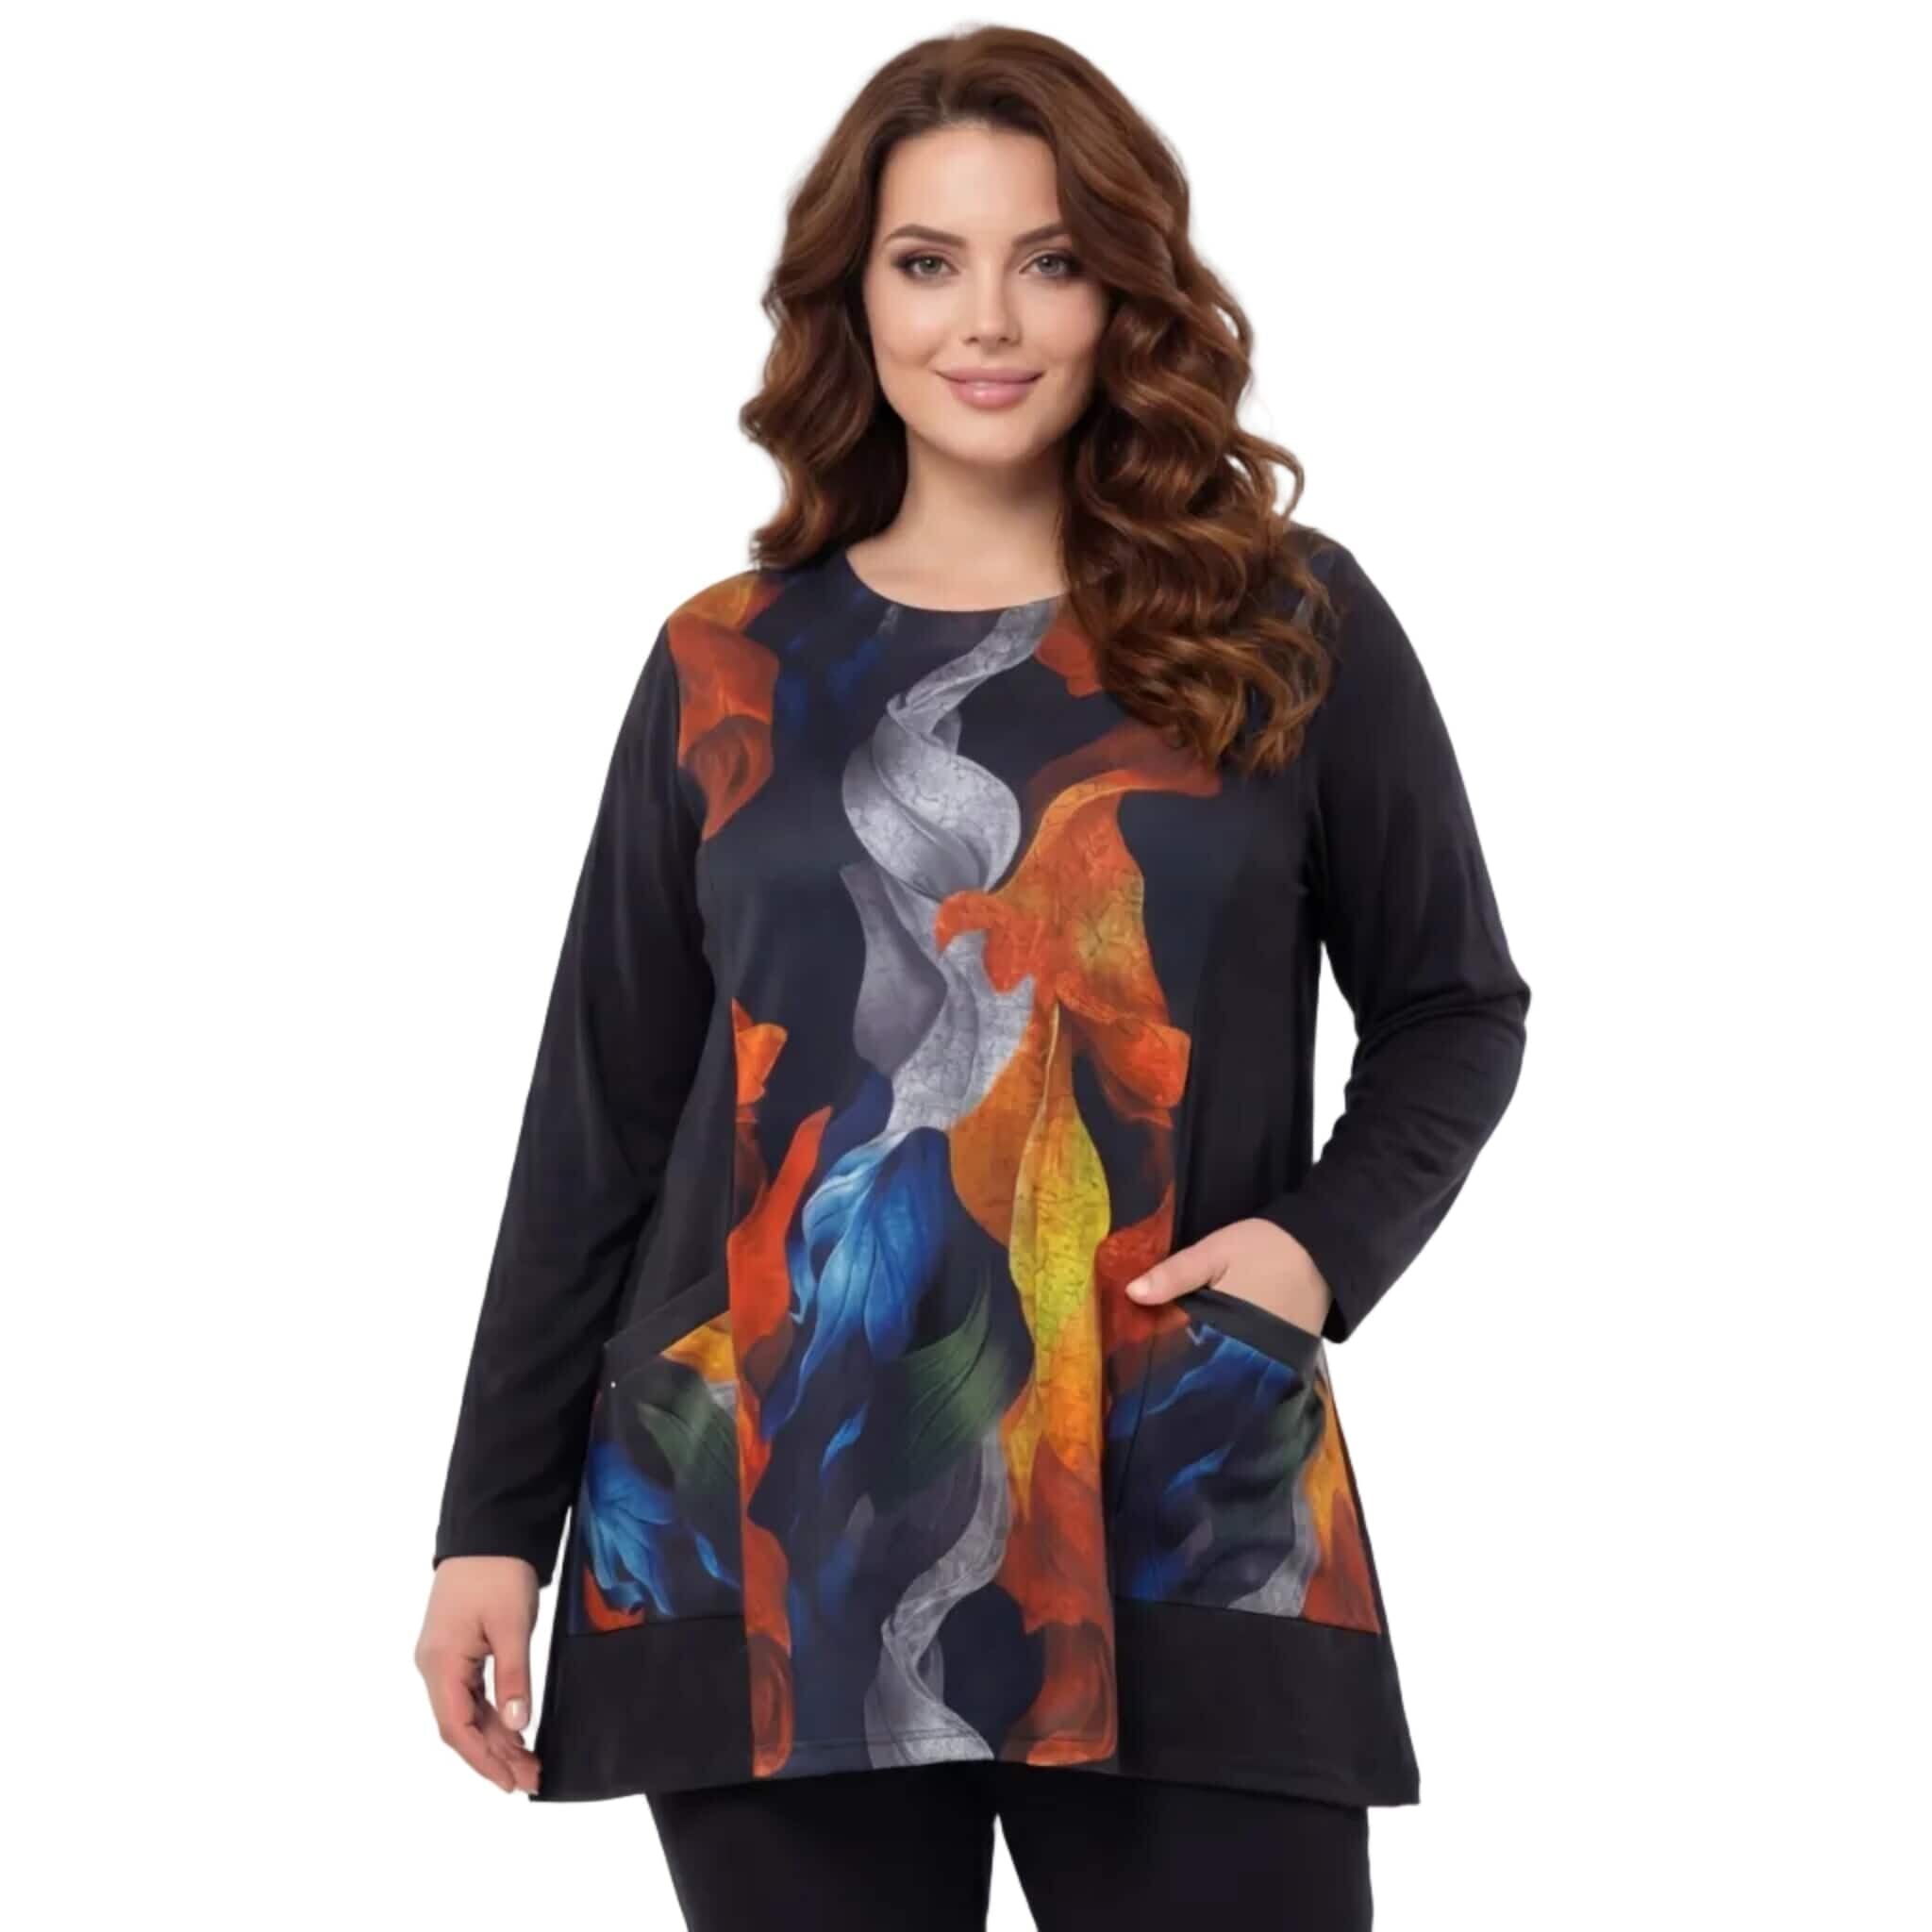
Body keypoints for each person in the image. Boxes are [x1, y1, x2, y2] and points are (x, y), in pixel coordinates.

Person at [415, 25, 1530, 1930]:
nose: (987, 320)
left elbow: (1452, 1009)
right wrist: (486, 1528)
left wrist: (1312, 1253)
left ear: (1125, 293)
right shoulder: (724, 664)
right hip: (763, 1519)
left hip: (1186, 1489)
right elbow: (598, 1118)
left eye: (1051, 259)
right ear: (853, 298)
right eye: (928, 261)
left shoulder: (1283, 623)